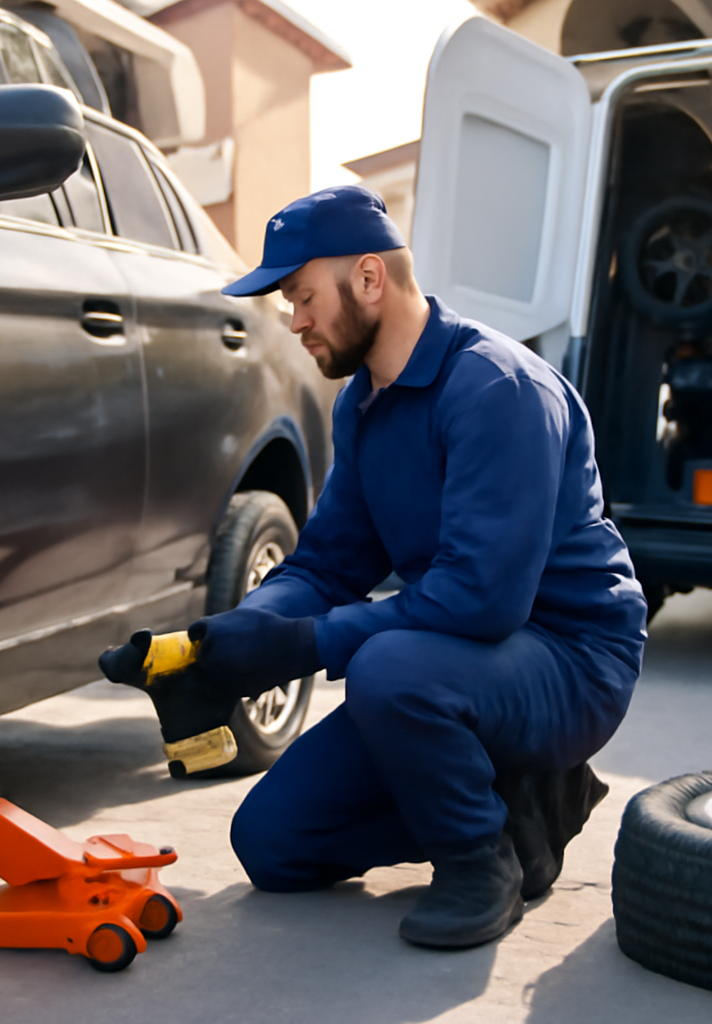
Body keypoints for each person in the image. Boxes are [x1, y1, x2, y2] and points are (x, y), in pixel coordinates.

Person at [135, 185, 646, 949]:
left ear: (370, 279)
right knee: (273, 842)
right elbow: (330, 563)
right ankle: (521, 815)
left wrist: (304, 646)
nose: (294, 319)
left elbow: (481, 600)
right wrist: (221, 644)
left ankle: (479, 862)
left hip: (570, 660)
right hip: (459, 661)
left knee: (389, 667)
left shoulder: (497, 389)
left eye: (304, 296)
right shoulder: (365, 404)